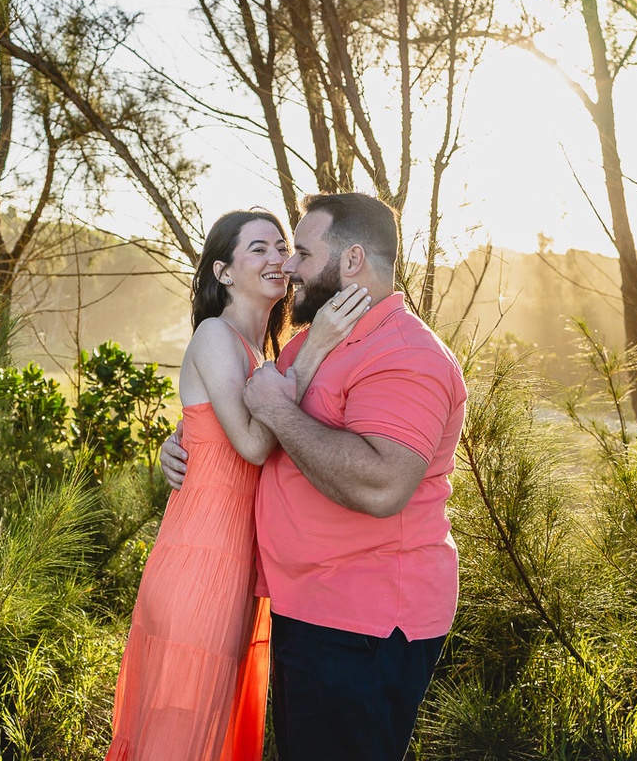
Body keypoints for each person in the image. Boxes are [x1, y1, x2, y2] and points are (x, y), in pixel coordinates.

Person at [161, 193, 467, 761]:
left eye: (300, 251)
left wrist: (279, 411)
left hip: (364, 622)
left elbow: (382, 485)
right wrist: (185, 442)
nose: (290, 266)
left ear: (351, 261)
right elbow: (243, 418)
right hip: (307, 607)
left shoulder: (403, 354)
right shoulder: (313, 340)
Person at [105, 209, 369, 761]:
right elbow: (251, 444)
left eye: (281, 247)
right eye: (259, 249)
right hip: (200, 562)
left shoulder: (262, 355)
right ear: (223, 272)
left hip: (240, 566)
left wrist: (179, 441)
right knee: (180, 736)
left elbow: (226, 439)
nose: (278, 259)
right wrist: (316, 347)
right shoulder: (215, 335)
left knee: (213, 728)